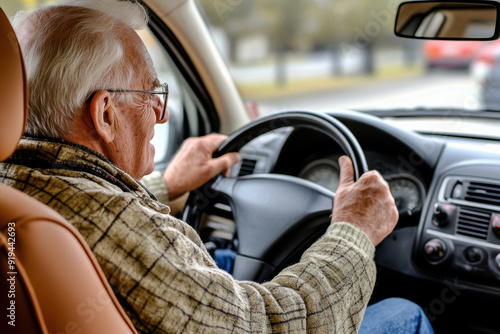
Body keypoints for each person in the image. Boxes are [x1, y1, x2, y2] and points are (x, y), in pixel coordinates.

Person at [0, 0, 433, 333]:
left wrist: (165, 186)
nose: (162, 114)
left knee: (224, 257)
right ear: (105, 115)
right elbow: (270, 326)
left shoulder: (17, 188)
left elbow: (93, 215)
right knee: (406, 314)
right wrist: (353, 233)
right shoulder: (113, 225)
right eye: (151, 94)